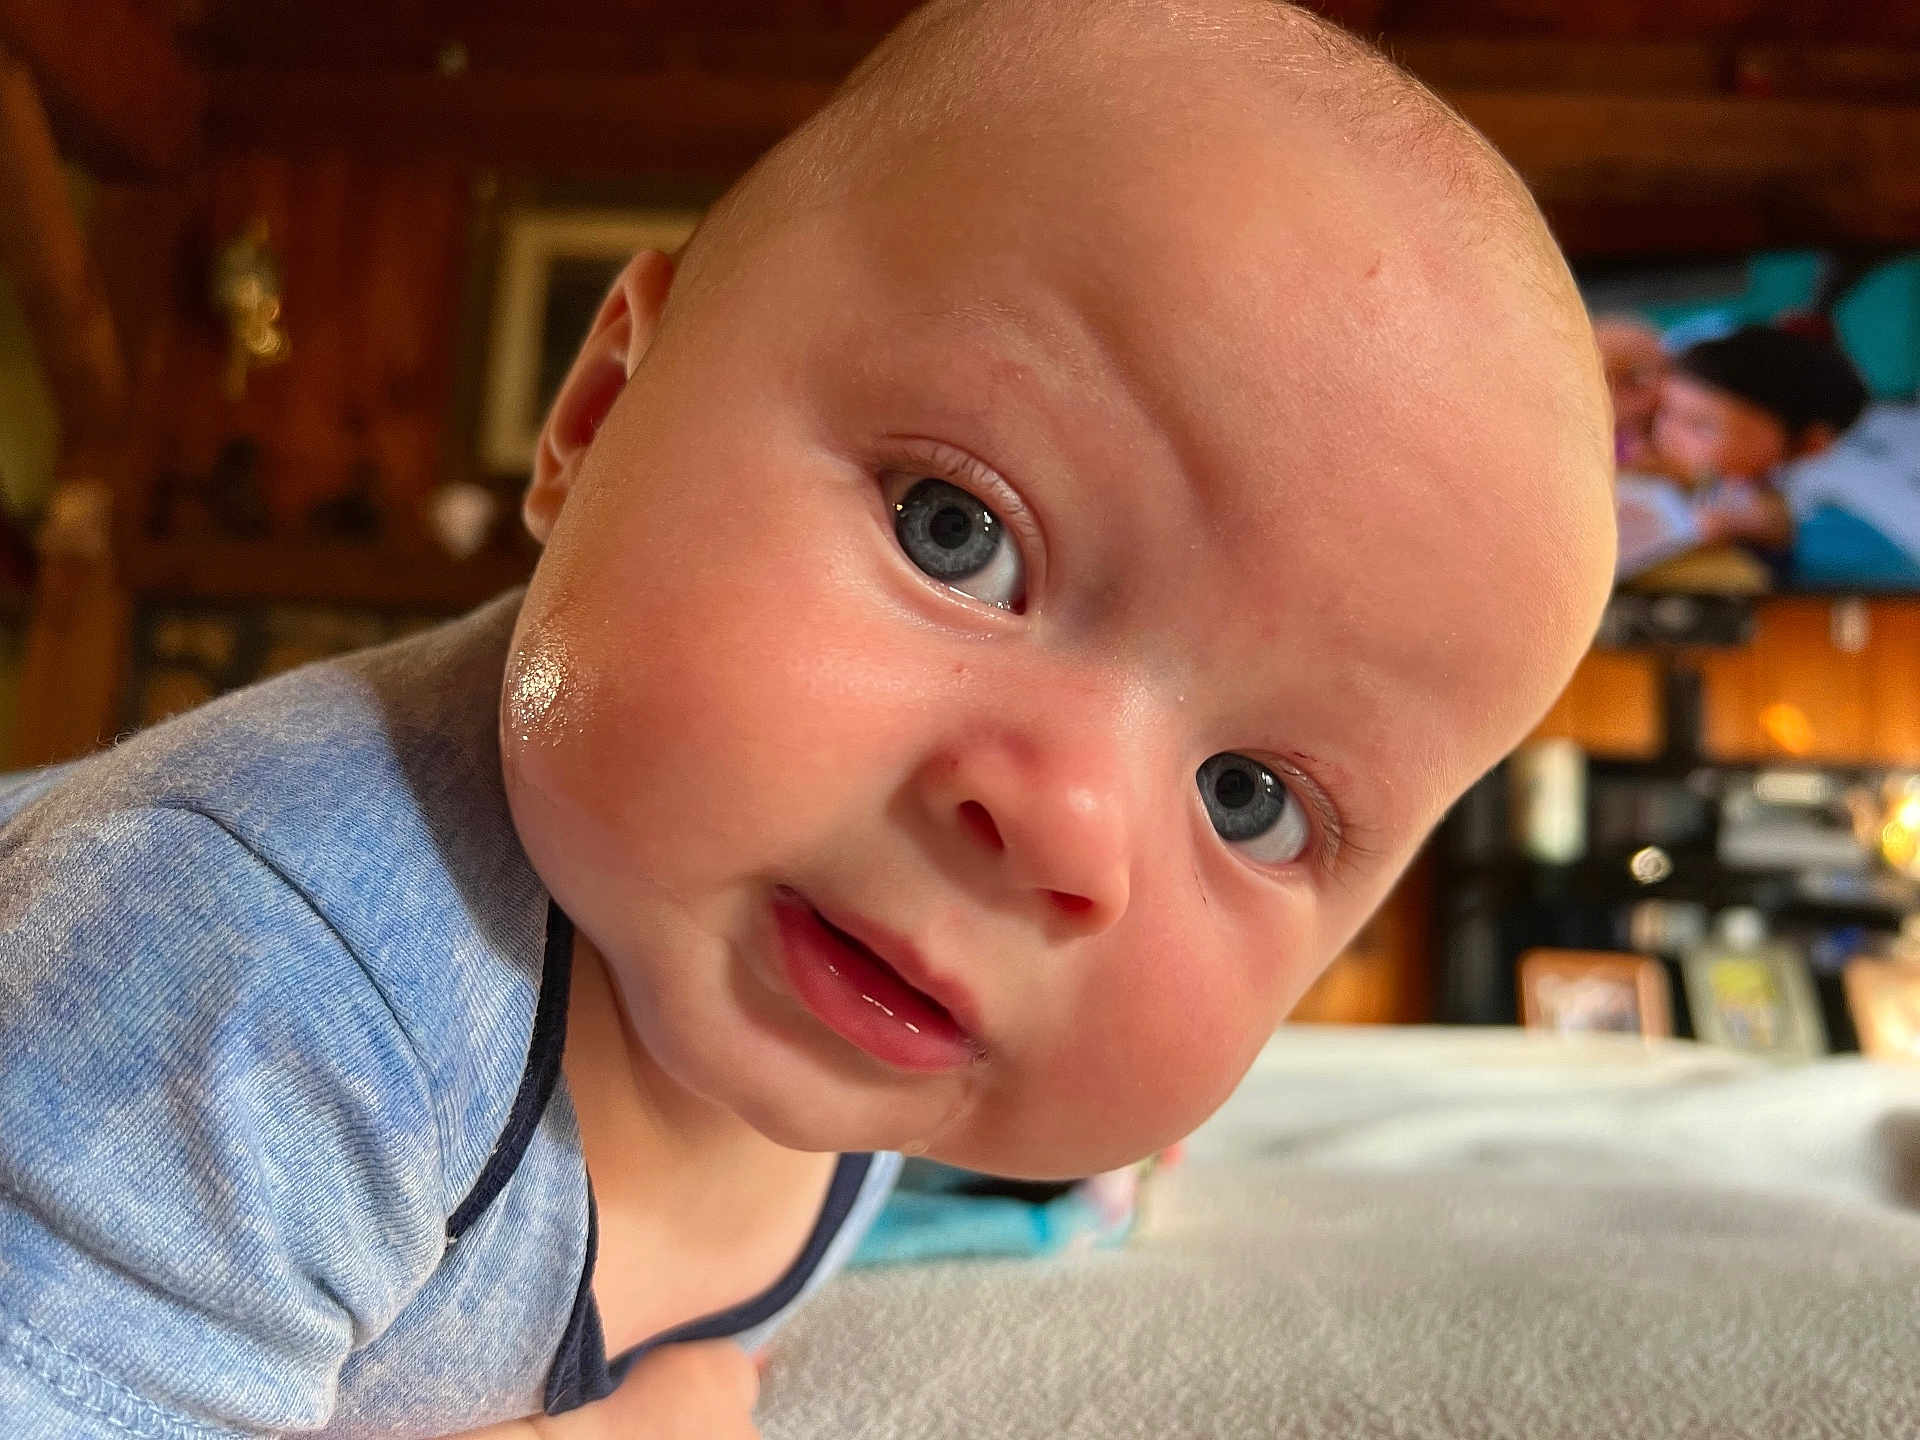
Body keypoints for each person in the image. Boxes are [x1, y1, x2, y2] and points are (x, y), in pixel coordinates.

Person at [0, 0, 1616, 1435]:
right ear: (599, 412)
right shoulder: (258, 990)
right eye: (957, 534)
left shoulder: (866, 1000)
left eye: (1252, 797)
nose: (1070, 831)